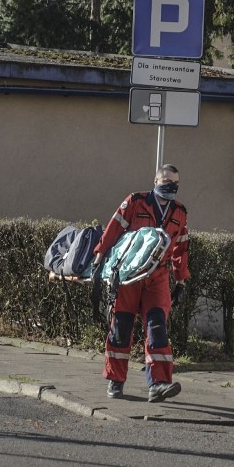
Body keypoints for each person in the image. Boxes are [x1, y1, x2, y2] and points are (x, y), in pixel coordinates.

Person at [93, 164, 190, 402]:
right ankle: (116, 382)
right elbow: (113, 229)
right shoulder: (136, 202)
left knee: (157, 327)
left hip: (157, 277)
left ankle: (158, 384)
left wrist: (180, 281)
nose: (170, 185)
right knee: (121, 327)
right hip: (128, 276)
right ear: (155, 180)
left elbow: (181, 247)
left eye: (175, 182)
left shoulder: (179, 212)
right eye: (166, 180)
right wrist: (99, 257)